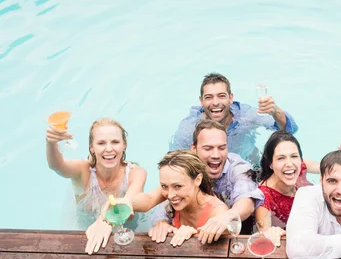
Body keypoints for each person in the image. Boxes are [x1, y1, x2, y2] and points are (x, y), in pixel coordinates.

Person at [149, 120, 264, 244]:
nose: (216, 155)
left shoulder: (238, 168)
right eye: (208, 148)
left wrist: (224, 217)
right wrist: (161, 222)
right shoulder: (184, 168)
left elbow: (247, 201)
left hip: (231, 223)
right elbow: (167, 196)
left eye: (221, 148)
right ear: (194, 148)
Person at [45, 117, 146, 253]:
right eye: (101, 143)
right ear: (92, 148)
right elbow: (57, 166)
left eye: (115, 142)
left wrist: (104, 220)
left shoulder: (136, 173)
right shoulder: (83, 171)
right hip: (85, 236)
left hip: (128, 233)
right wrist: (51, 143)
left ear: (124, 145)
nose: (109, 149)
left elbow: (128, 204)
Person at [169, 72, 298, 166]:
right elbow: (174, 163)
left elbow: (288, 130)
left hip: (249, 164)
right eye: (209, 97)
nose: (215, 102)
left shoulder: (245, 116)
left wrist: (275, 111)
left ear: (231, 98)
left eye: (221, 96)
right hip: (210, 170)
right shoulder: (189, 129)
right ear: (201, 101)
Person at [107, 150, 229, 249]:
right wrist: (123, 203)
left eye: (178, 186)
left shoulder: (217, 211)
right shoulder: (176, 194)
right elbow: (148, 199)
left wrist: (194, 236)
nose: (170, 195)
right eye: (164, 186)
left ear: (198, 180)